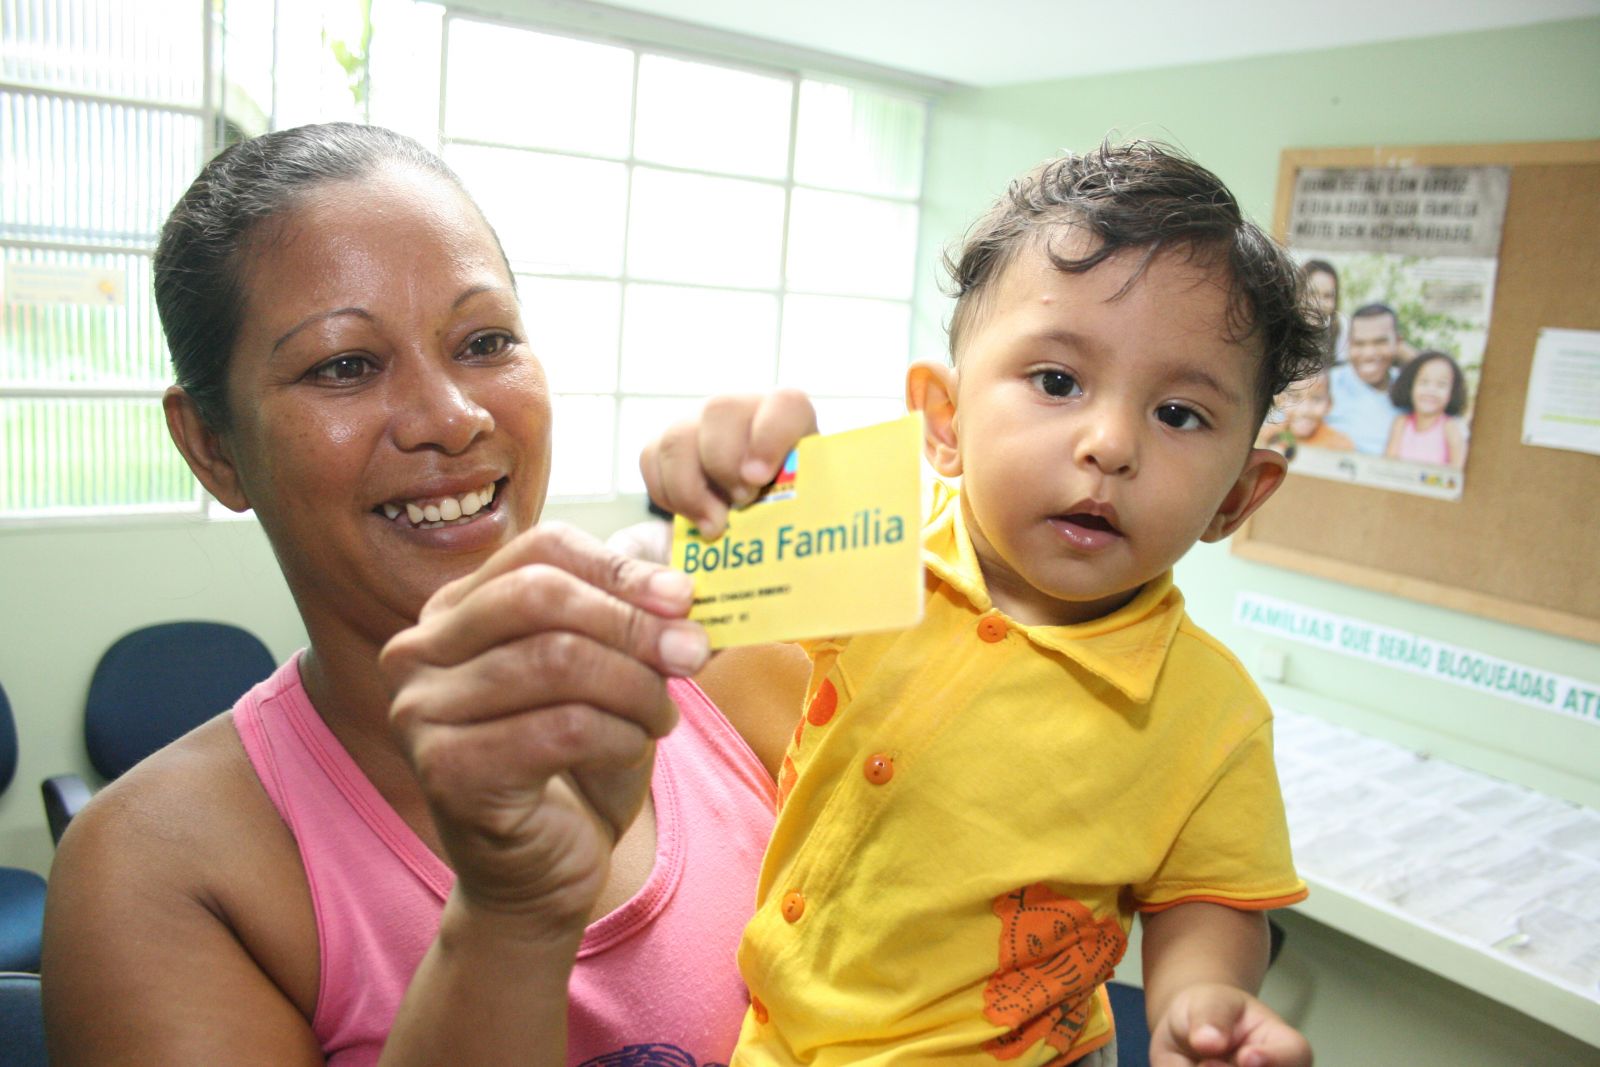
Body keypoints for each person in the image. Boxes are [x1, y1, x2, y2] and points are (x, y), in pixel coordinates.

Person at [41, 122, 810, 1066]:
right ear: (210, 444)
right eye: (344, 365)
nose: (452, 416)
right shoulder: (164, 869)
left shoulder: (743, 683)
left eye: (485, 341)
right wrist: (510, 919)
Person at [644, 142, 1318, 1067]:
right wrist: (719, 481)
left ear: (1240, 495)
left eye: (1180, 414)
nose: (1110, 442)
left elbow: (1211, 896)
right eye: (1057, 381)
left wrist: (1201, 996)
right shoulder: (871, 542)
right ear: (946, 422)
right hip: (775, 1039)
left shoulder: (1210, 712)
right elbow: (701, 602)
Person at [1324, 302, 1404, 454]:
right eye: (1359, 344)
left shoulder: (1413, 389)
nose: (1369, 354)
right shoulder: (1326, 384)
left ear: (1397, 342)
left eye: (1380, 342)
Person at [1384, 349, 1469, 468]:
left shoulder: (1450, 427)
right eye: (1424, 382)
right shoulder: (1401, 423)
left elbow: (1458, 471)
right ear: (1410, 386)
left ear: (1452, 392)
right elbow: (1388, 464)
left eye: (1441, 384)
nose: (1431, 390)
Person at [1256, 371, 1354, 456]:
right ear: (1279, 400)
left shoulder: (1339, 446)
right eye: (1295, 397)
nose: (1305, 410)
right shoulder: (1265, 436)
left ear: (1329, 404)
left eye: (1316, 399)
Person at [1301, 258, 1345, 366]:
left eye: (1327, 296)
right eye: (1311, 293)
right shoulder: (1280, 333)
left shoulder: (1340, 331)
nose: (1318, 304)